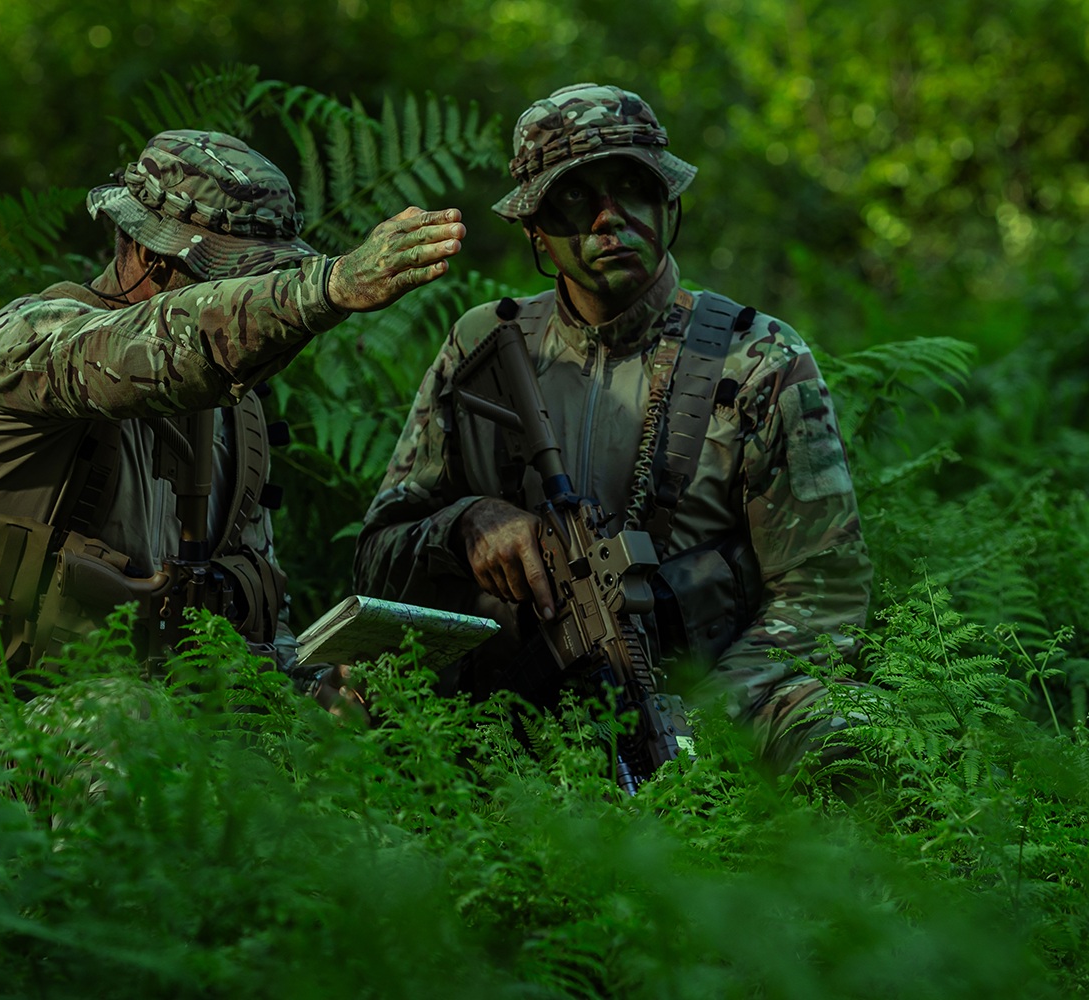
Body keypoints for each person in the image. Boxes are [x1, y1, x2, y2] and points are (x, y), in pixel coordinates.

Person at [353, 85, 871, 772]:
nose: (609, 218)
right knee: (348, 702)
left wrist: (703, 724)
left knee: (850, 738)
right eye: (574, 199)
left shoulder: (759, 362)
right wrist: (468, 524)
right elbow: (378, 558)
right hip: (504, 707)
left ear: (669, 204)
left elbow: (824, 593)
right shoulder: (483, 350)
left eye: (634, 188)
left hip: (710, 703)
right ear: (535, 228)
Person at [0, 129, 463, 703]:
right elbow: (157, 343)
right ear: (150, 253)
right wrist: (327, 287)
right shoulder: (26, 345)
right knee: (124, 722)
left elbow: (260, 630)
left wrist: (308, 688)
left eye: (267, 280)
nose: (254, 306)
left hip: (168, 743)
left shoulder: (237, 419)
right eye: (236, 279)